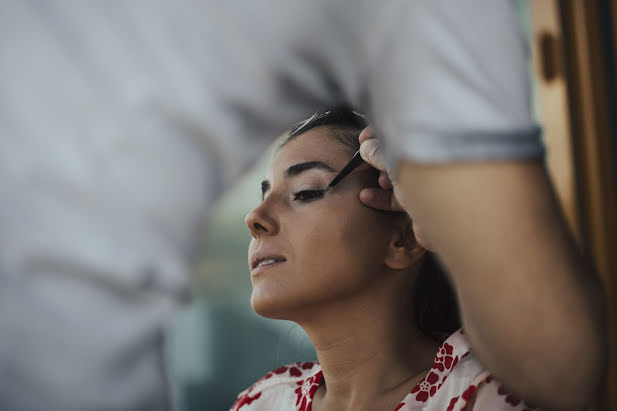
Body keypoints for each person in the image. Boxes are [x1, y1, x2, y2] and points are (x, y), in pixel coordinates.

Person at [232, 108, 539, 410]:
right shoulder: (261, 403)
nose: (254, 218)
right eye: (264, 196)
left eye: (305, 192)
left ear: (402, 239)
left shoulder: (490, 396)